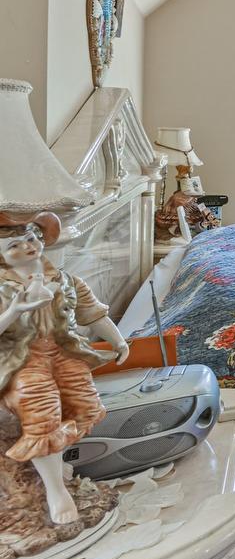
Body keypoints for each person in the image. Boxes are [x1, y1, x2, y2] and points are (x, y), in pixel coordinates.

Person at [0, 212, 129, 524]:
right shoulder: (4, 290)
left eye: (31, 238)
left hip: (63, 353)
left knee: (84, 405)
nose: (27, 247)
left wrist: (119, 341)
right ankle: (55, 490)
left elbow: (93, 314)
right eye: (14, 245)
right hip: (21, 359)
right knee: (42, 412)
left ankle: (53, 463)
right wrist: (15, 310)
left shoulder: (66, 281)